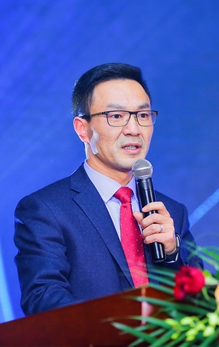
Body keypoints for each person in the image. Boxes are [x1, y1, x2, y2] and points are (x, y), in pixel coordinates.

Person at [14, 63, 201, 316]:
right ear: (83, 129)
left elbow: (202, 306)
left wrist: (171, 253)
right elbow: (43, 298)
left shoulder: (172, 212)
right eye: (116, 116)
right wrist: (125, 326)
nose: (134, 129)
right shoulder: (45, 210)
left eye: (143, 115)